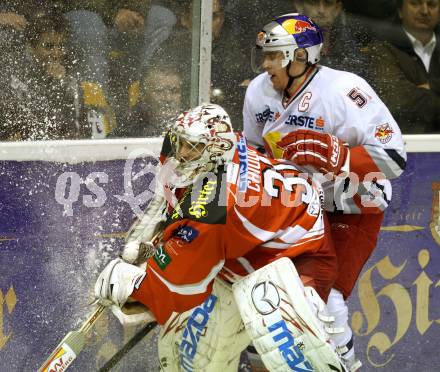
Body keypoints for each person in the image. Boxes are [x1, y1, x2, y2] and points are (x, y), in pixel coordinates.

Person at [94, 103, 347, 371]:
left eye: (192, 147)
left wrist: (133, 286)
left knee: (277, 342)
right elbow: (168, 206)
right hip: (251, 244)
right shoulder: (217, 151)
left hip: (299, 255)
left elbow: (178, 287)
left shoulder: (216, 206)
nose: (181, 152)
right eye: (180, 141)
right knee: (197, 359)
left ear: (217, 148)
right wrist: (149, 251)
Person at [242, 13, 407, 371]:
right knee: (268, 298)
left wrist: (340, 155)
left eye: (274, 55)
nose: (266, 63)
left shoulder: (347, 91)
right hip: (295, 212)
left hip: (353, 208)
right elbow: (253, 155)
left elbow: (395, 158)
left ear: (300, 56)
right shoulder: (258, 92)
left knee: (324, 298)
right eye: (265, 55)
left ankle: (342, 365)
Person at [367, 0, 440, 133]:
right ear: (400, 11)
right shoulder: (382, 47)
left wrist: (433, 86)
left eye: (432, 5)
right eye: (415, 3)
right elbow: (397, 100)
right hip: (406, 143)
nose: (424, 11)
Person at [292, 0, 374, 82]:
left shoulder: (351, 50)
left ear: (337, 9)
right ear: (299, 6)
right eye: (313, 2)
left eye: (328, 3)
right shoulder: (286, 48)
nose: (321, 10)